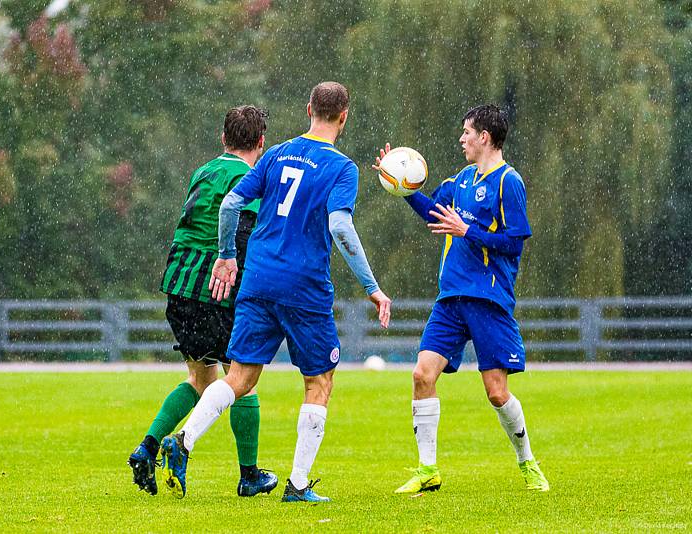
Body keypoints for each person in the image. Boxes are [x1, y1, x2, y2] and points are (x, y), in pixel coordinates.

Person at [158, 81, 392, 502]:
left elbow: (230, 204)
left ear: (308, 109)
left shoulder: (276, 154)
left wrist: (227, 255)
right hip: (303, 286)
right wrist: (372, 288)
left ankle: (183, 441)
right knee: (319, 381)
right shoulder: (341, 168)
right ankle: (298, 485)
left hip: (258, 280)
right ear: (344, 116)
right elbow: (339, 226)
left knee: (240, 377)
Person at [376, 104, 549, 494]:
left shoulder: (509, 182)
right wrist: (401, 183)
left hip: (488, 299)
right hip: (450, 297)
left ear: (484, 137)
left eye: (467, 132)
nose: (461, 139)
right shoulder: (461, 180)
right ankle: (427, 470)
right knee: (422, 374)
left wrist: (467, 231)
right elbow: (433, 212)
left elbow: (514, 243)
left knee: (496, 392)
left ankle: (527, 462)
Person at [128, 105, 277, 498]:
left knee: (200, 379)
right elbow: (243, 235)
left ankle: (147, 447)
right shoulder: (249, 177)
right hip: (217, 288)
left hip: (179, 286)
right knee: (242, 381)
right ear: (260, 143)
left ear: (223, 138)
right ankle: (249, 475)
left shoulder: (203, 171)